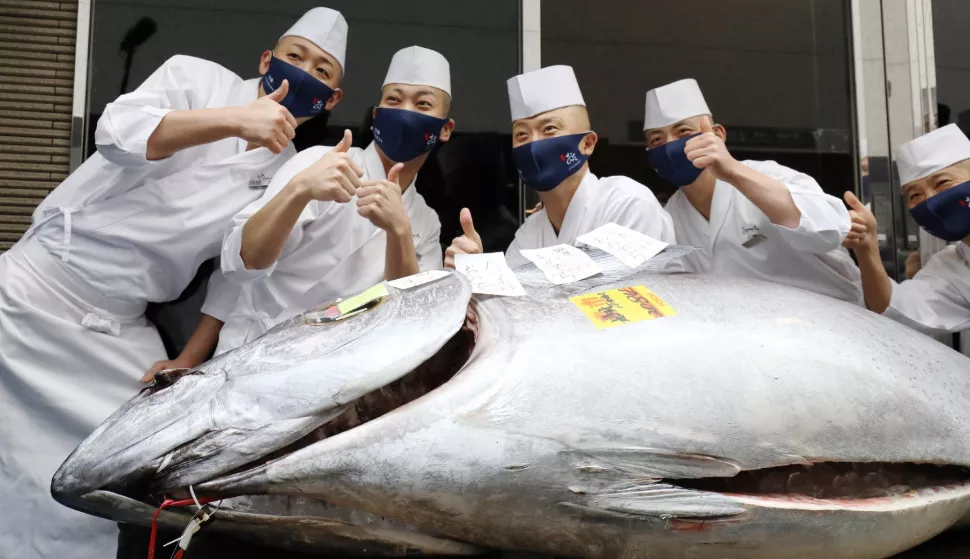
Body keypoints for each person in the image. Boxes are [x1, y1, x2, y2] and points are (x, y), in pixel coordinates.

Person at [0, 7, 348, 558]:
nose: (305, 70)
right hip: (34, 291)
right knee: (11, 475)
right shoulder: (196, 78)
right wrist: (237, 119)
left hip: (119, 326)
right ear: (267, 60)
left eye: (322, 69)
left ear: (330, 98)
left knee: (121, 470)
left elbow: (239, 272)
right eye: (295, 56)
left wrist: (189, 356)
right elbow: (115, 133)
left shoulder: (285, 168)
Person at [215, 46, 449, 354]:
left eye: (422, 104)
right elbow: (242, 261)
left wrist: (399, 231)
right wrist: (300, 189)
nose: (405, 112)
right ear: (377, 115)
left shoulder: (425, 221)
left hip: (338, 371)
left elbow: (410, 321)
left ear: (444, 130)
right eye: (393, 99)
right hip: (256, 350)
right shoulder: (319, 162)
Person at [643, 78, 862, 303]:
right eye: (658, 139)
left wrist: (732, 171)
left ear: (717, 135)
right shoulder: (670, 218)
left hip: (832, 320)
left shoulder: (771, 175)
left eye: (683, 132)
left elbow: (828, 233)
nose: (670, 146)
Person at [445, 65, 674, 269]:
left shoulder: (627, 204)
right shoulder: (530, 232)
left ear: (587, 143)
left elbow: (626, 304)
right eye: (522, 134)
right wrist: (477, 271)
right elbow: (511, 307)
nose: (534, 144)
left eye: (549, 129)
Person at [842, 124, 970, 333]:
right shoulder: (953, 267)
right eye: (915, 196)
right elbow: (895, 311)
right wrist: (867, 248)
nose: (931, 200)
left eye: (943, 183)